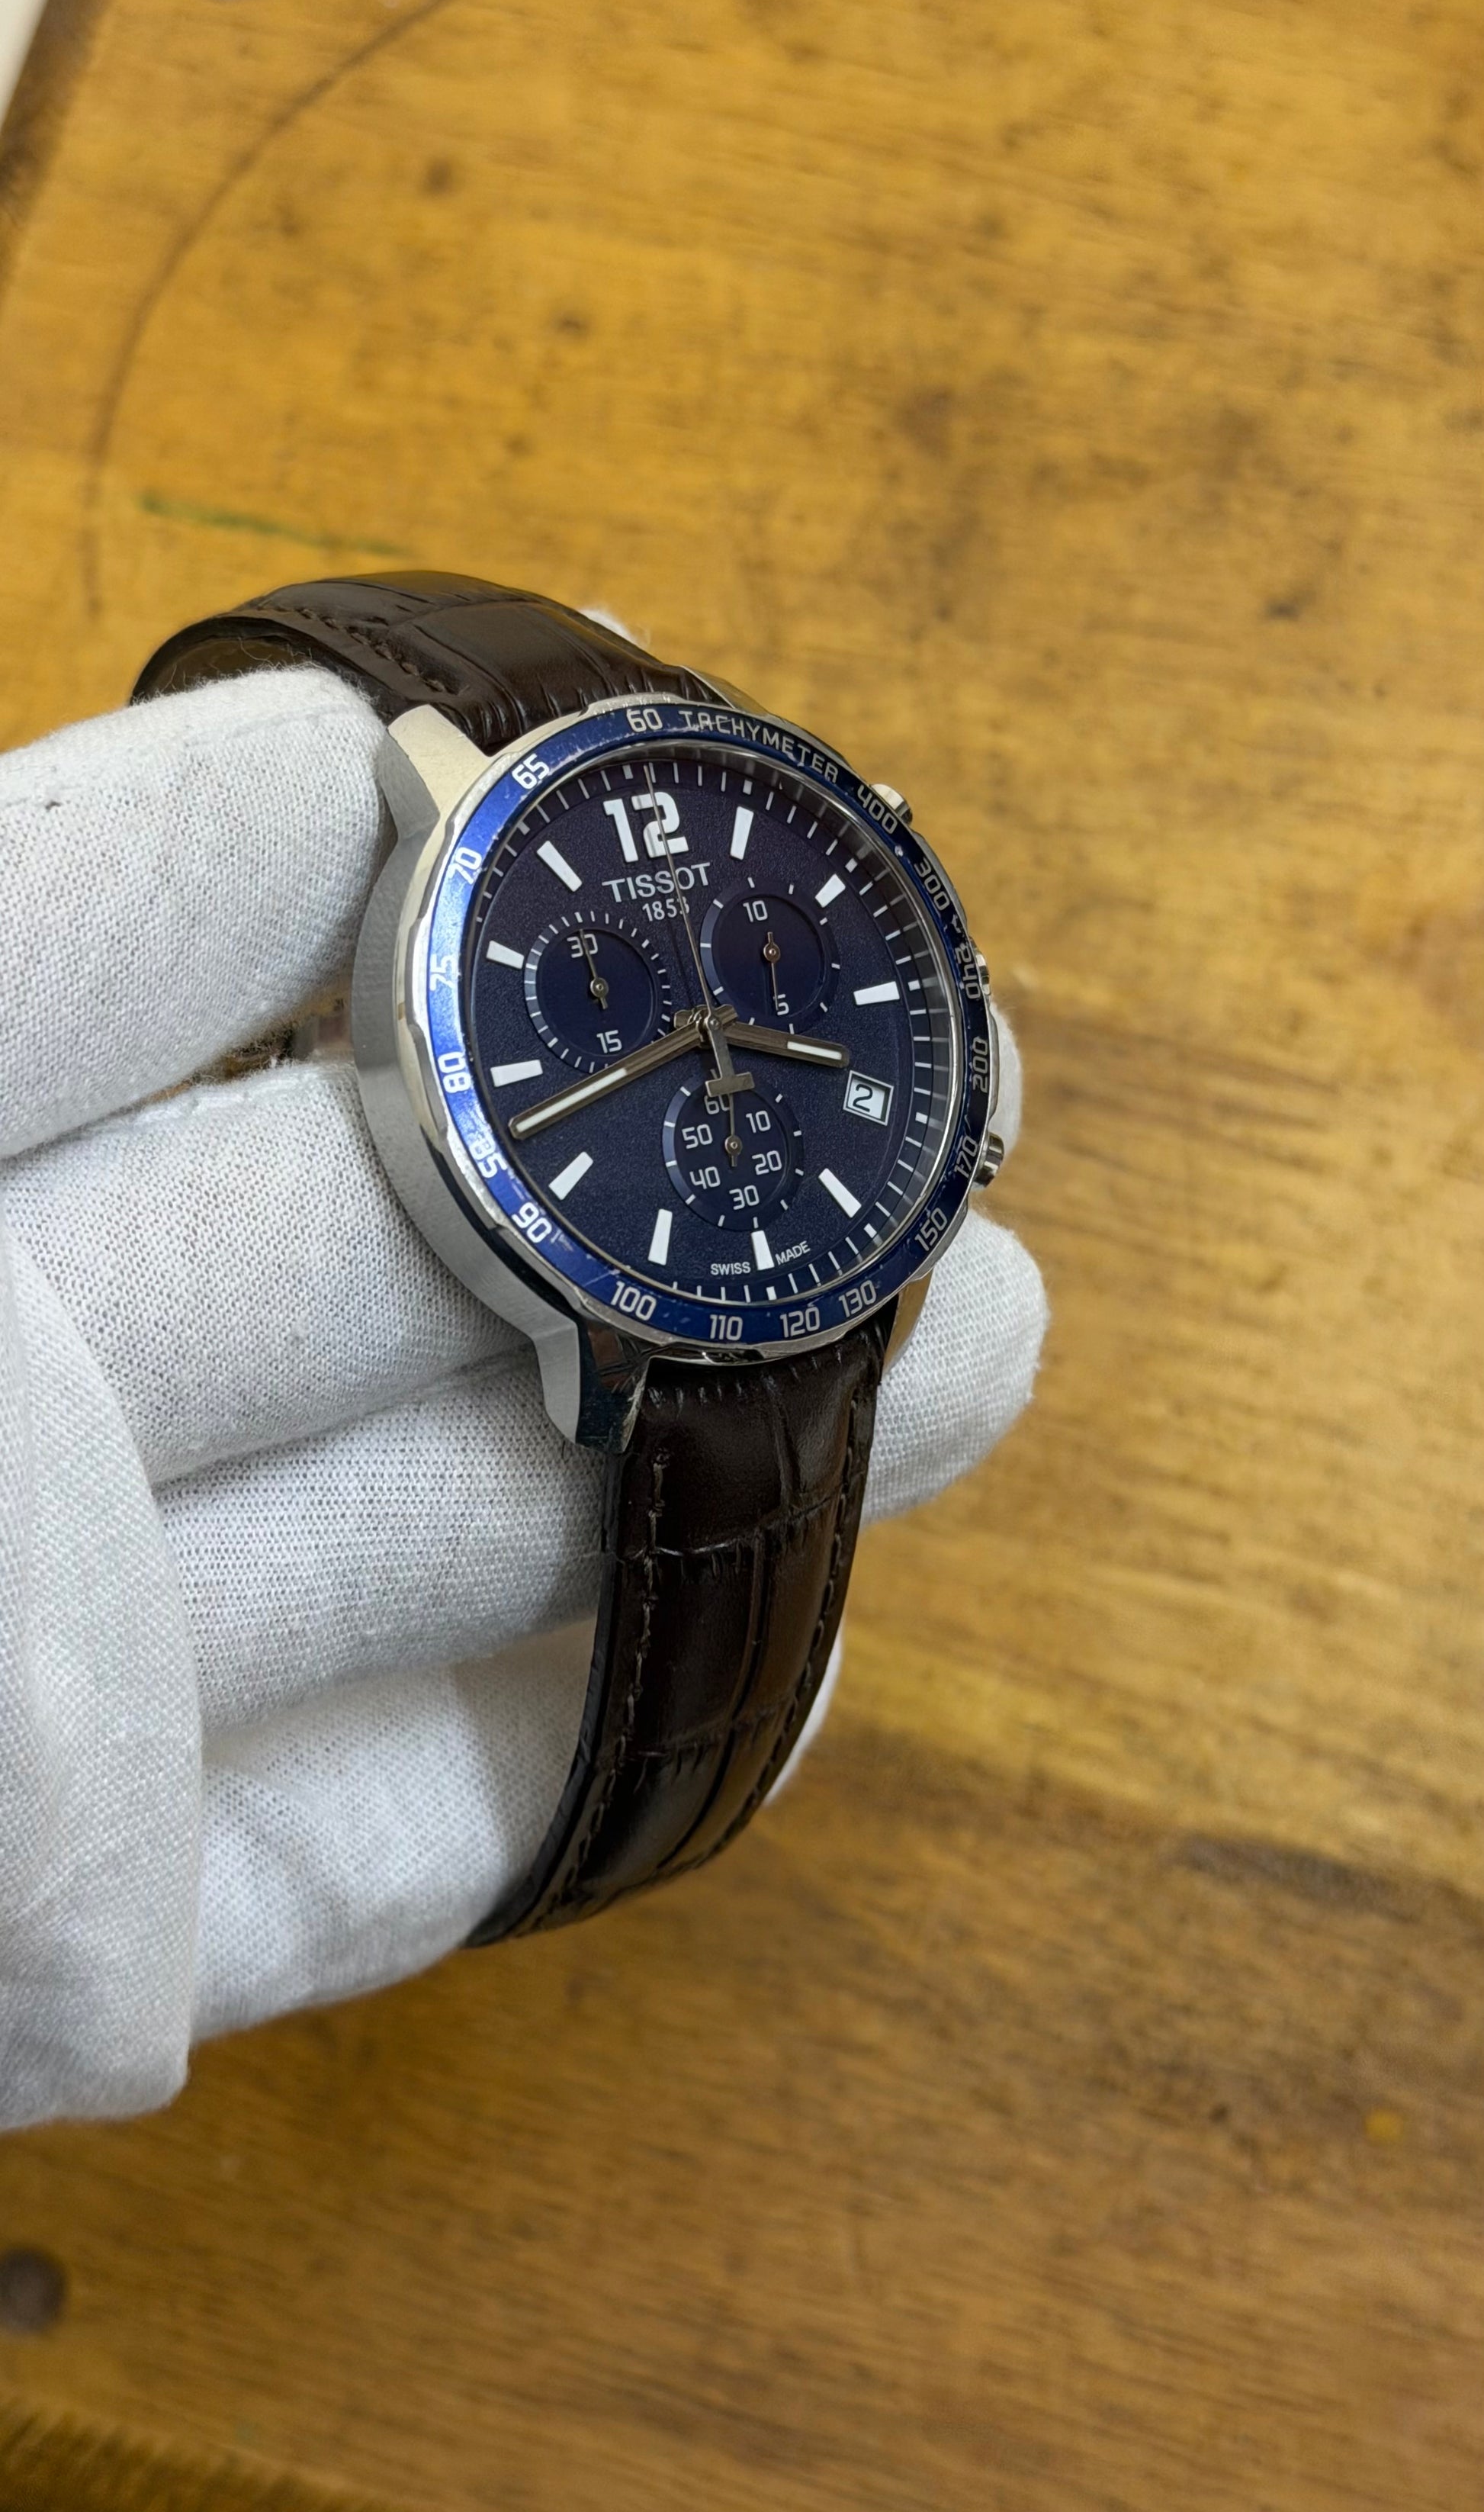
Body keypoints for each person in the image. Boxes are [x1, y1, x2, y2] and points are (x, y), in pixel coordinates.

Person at [0, 664, 1048, 2132]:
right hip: (624, 1296)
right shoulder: (446, 843)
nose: (709, 1026)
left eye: (741, 987)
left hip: (819, 1267)